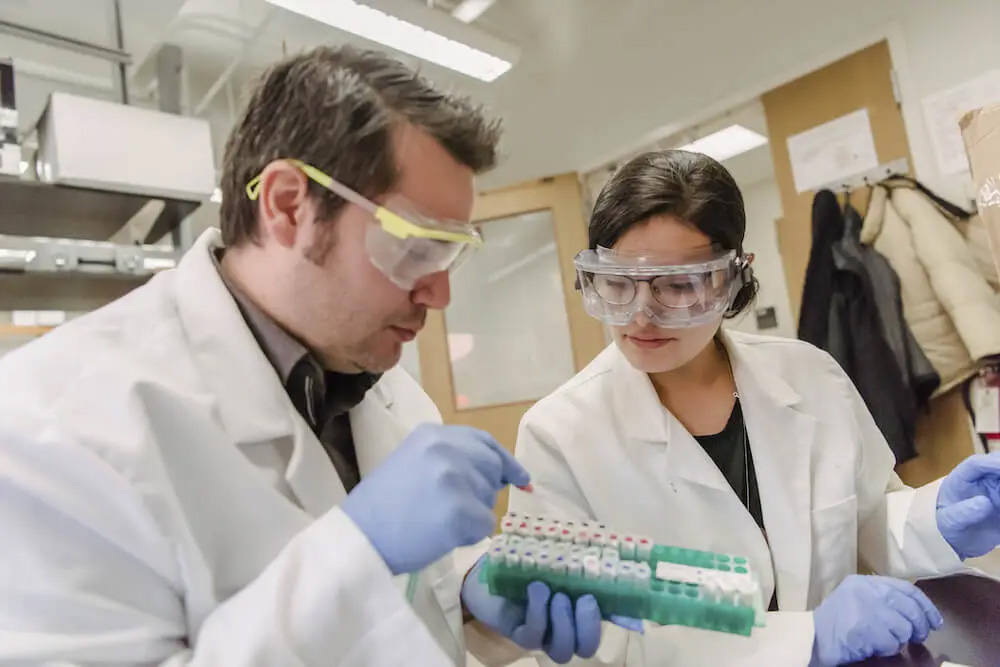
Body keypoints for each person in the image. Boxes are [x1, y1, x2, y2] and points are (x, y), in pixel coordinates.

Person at [0, 46, 606, 666]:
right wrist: (358, 552)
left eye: (449, 254)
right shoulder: (52, 428)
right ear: (289, 205)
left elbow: (416, 601)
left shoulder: (383, 389)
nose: (439, 294)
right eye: (416, 248)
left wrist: (473, 592)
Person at [509, 149, 1000, 666]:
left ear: (732, 278)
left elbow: (866, 518)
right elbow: (589, 643)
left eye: (677, 285)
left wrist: (933, 518)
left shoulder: (810, 376)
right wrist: (804, 639)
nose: (641, 315)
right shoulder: (558, 435)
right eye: (616, 283)